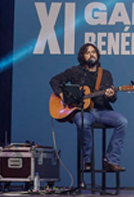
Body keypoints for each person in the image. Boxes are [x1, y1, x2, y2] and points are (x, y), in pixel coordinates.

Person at [49, 44, 128, 183]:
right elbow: (54, 80)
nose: (91, 54)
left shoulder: (106, 74)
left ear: (97, 55)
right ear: (82, 56)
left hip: (102, 111)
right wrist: (61, 94)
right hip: (83, 112)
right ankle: (87, 160)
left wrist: (111, 95)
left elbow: (113, 99)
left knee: (122, 122)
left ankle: (110, 161)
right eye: (87, 52)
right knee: (82, 122)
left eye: (93, 52)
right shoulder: (75, 71)